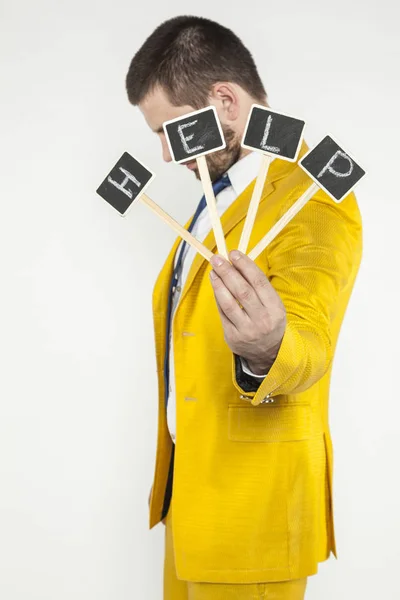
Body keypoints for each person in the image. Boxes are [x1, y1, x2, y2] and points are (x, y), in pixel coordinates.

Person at [125, 15, 363, 600]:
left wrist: (268, 350)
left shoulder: (310, 197)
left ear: (224, 101)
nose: (162, 154)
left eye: (169, 130)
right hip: (192, 504)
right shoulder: (219, 193)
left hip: (253, 518)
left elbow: (309, 336)